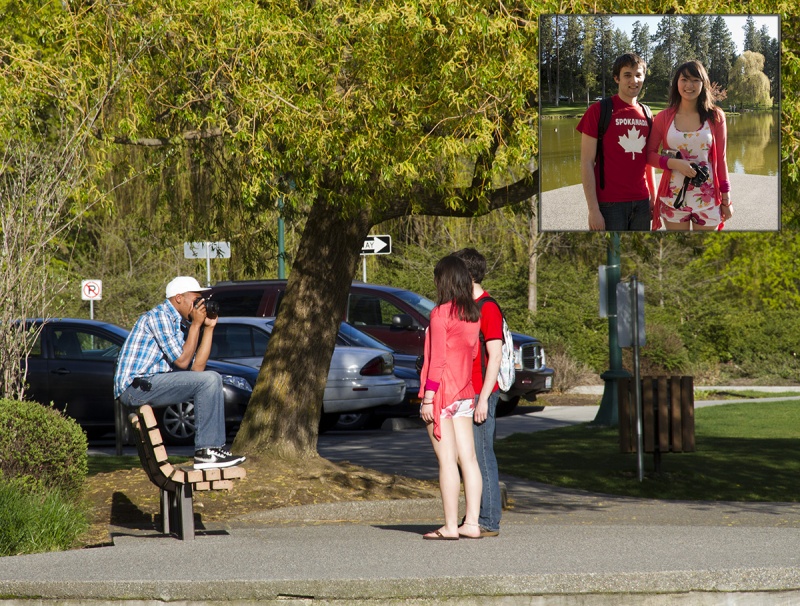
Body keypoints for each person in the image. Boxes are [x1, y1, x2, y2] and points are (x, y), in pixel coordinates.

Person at [114, 276, 246, 470]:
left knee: (211, 378)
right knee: (210, 380)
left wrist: (208, 328)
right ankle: (206, 451)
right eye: (196, 300)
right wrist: (195, 325)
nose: (199, 305)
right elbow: (183, 362)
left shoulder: (176, 322)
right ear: (178, 298)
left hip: (147, 383)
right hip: (135, 386)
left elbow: (196, 370)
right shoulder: (159, 317)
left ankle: (213, 449)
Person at [417, 255, 483, 540]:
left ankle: (449, 526)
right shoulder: (472, 315)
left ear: (443, 280)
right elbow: (473, 354)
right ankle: (472, 524)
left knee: (446, 462)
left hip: (442, 393)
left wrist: (428, 398)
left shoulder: (441, 313)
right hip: (465, 392)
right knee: (468, 459)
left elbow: (438, 361)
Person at [646, 60, 733, 231]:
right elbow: (649, 155)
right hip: (673, 199)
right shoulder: (664, 118)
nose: (689, 85)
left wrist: (726, 199)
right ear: (676, 83)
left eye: (695, 80)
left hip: (708, 199)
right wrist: (674, 163)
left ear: (703, 84)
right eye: (684, 79)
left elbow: (721, 160)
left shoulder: (715, 117)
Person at [453, 247, 503, 538]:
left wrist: (483, 399)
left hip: (481, 394)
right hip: (466, 392)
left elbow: (494, 357)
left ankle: (488, 520)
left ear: (468, 274)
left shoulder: (488, 308)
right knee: (469, 456)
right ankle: (476, 515)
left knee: (482, 456)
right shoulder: (467, 307)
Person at [577, 52, 657, 231]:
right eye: (627, 75)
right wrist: (593, 210)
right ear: (616, 78)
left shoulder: (647, 113)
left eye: (638, 75)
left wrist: (654, 196)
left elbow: (648, 161)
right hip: (609, 205)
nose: (633, 80)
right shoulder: (599, 111)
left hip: (642, 203)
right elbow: (586, 162)